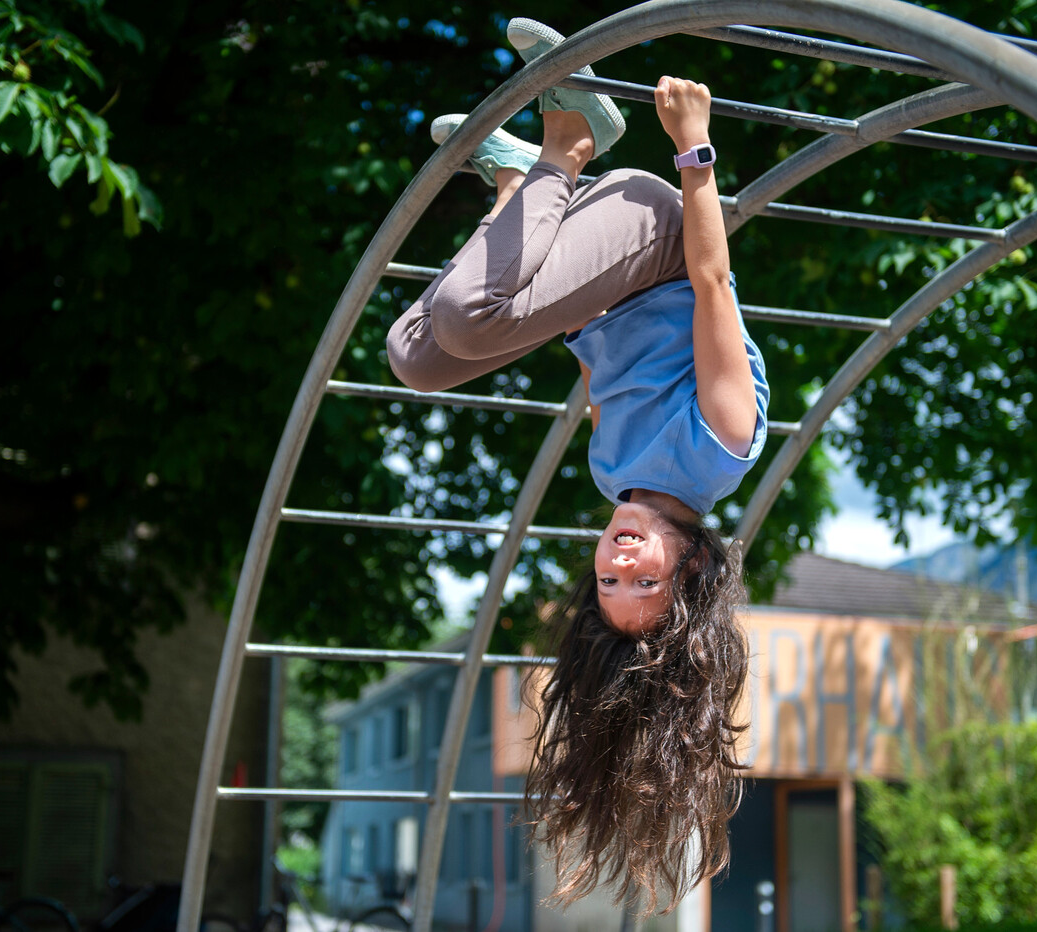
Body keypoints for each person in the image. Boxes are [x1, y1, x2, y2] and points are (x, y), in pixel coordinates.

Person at [386, 18, 770, 915]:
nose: (618, 564)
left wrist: (545, 297)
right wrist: (695, 148)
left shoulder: (610, 475)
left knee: (417, 354)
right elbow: (713, 286)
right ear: (693, 567)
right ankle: (572, 138)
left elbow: (601, 359)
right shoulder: (723, 442)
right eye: (644, 582)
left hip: (598, 291)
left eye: (606, 585)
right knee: (474, 321)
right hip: (655, 236)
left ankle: (522, 183)